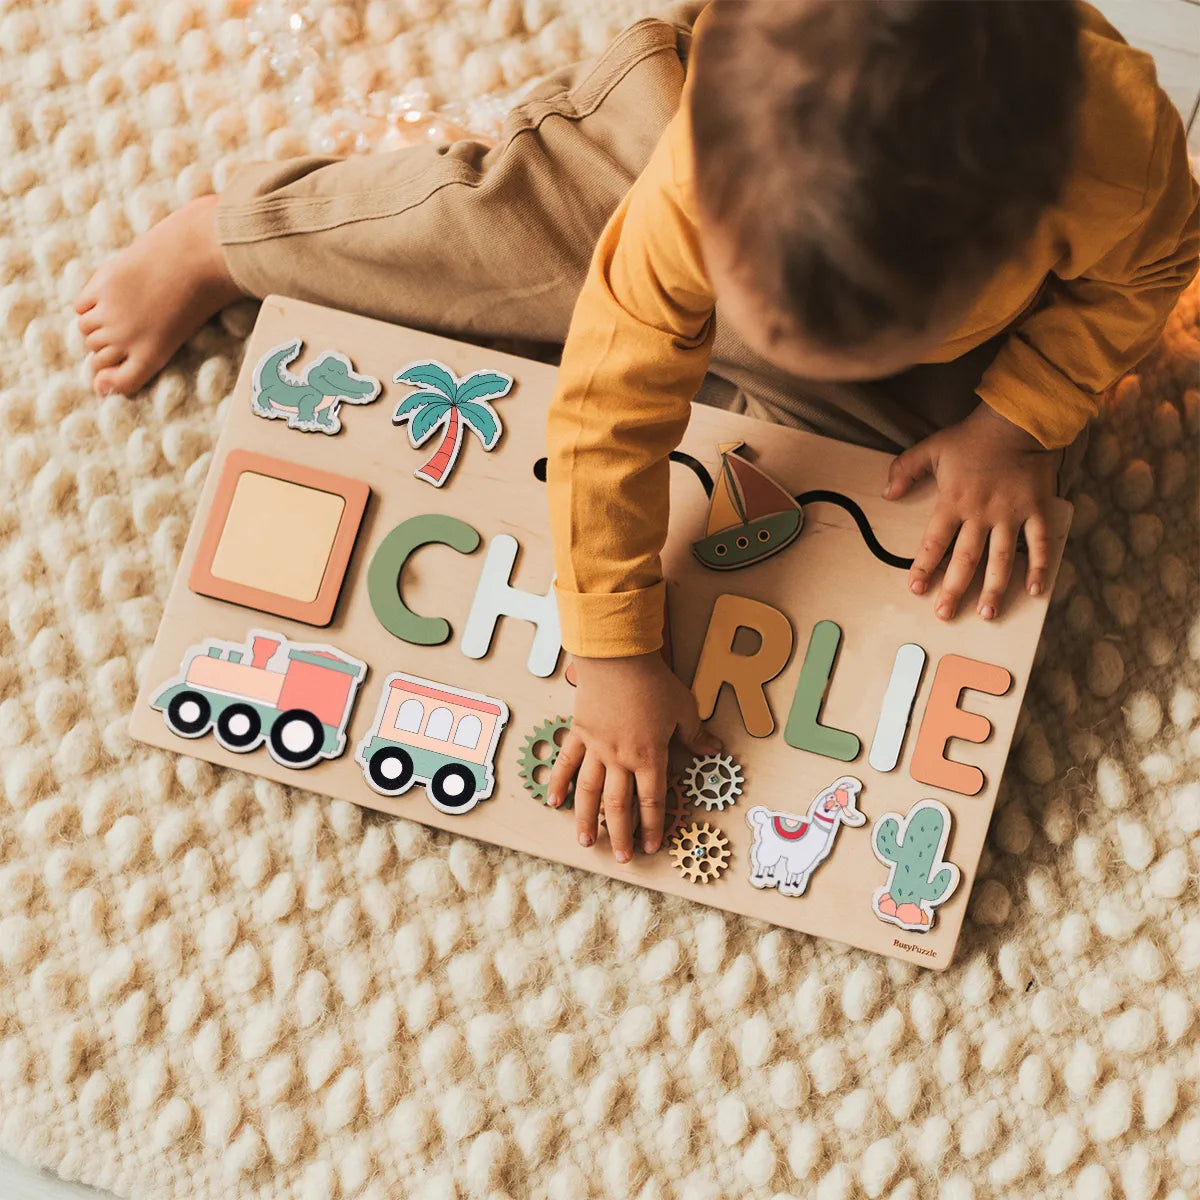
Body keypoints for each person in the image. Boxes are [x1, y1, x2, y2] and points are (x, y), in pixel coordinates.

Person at [74, 2, 1199, 866]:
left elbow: (1148, 269)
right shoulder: (696, 176)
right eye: (762, 322)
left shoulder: (1118, 150)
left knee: (899, 506)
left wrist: (1014, 420)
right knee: (479, 228)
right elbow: (611, 404)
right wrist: (614, 654)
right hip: (668, 138)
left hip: (919, 308)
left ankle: (911, 370)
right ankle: (228, 238)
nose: (743, 349)